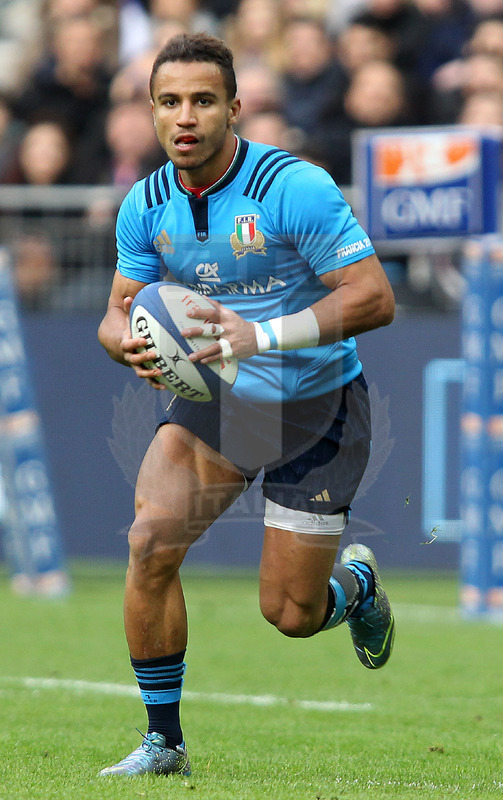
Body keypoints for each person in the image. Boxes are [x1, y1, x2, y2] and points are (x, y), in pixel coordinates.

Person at [97, 31, 396, 779]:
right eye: (169, 101)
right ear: (151, 110)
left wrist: (259, 335)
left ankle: (356, 587)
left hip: (317, 405)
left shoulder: (293, 187)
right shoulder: (145, 203)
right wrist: (127, 345)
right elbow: (117, 312)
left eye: (203, 100)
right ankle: (163, 743)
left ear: (234, 109)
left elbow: (374, 298)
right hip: (222, 399)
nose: (185, 116)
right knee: (149, 544)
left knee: (290, 615)